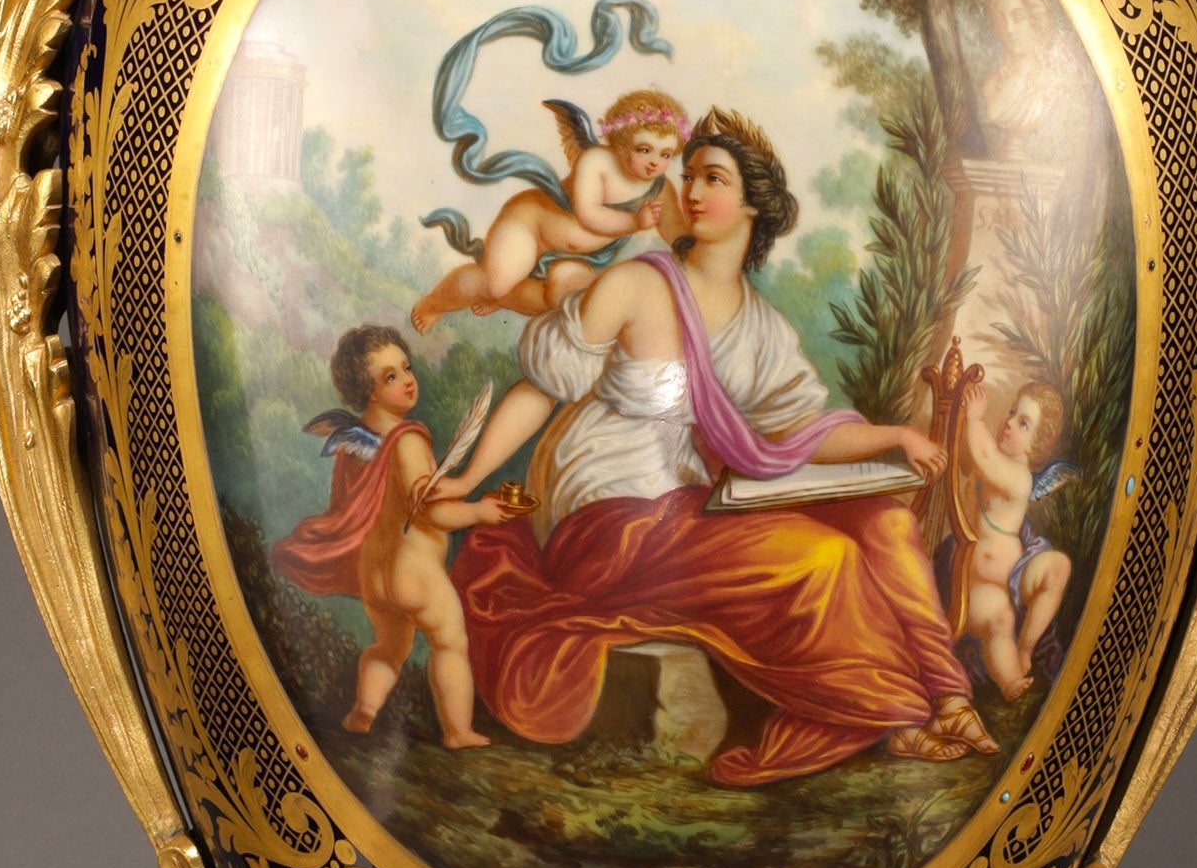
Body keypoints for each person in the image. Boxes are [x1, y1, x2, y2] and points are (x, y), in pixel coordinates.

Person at [433, 108, 997, 784]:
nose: (692, 191)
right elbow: (539, 389)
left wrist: (897, 435)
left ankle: (950, 699)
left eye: (714, 178)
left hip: (696, 510)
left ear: (755, 205)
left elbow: (801, 430)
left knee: (888, 523)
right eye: (690, 175)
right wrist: (466, 478)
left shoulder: (761, 329)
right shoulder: (638, 283)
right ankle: (896, 717)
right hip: (611, 522)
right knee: (825, 557)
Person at [270, 324, 522, 742]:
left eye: (406, 367)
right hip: (415, 572)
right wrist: (478, 511)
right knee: (450, 643)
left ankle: (365, 710)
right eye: (390, 376)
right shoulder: (407, 441)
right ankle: (457, 730)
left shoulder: (354, 444)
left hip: (375, 575)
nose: (407, 380)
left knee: (388, 648)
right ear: (368, 391)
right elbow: (432, 512)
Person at [410, 87, 688, 330]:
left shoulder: (660, 189)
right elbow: (588, 214)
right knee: (495, 283)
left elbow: (678, 235)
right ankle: (435, 302)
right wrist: (634, 223)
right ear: (622, 143)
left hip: (579, 256)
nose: (655, 162)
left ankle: (506, 298)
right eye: (644, 150)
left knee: (565, 299)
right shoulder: (597, 162)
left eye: (665, 154)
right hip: (531, 225)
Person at [961, 379, 1073, 699]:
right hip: (983, 586)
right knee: (999, 619)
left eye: (1023, 423)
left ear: (1035, 445)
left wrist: (974, 418)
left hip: (1017, 575)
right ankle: (1010, 680)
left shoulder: (1019, 478)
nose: (1009, 422)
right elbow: (975, 457)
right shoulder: (992, 466)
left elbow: (984, 455)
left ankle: (1026, 646)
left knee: (1059, 566)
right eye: (1011, 413)